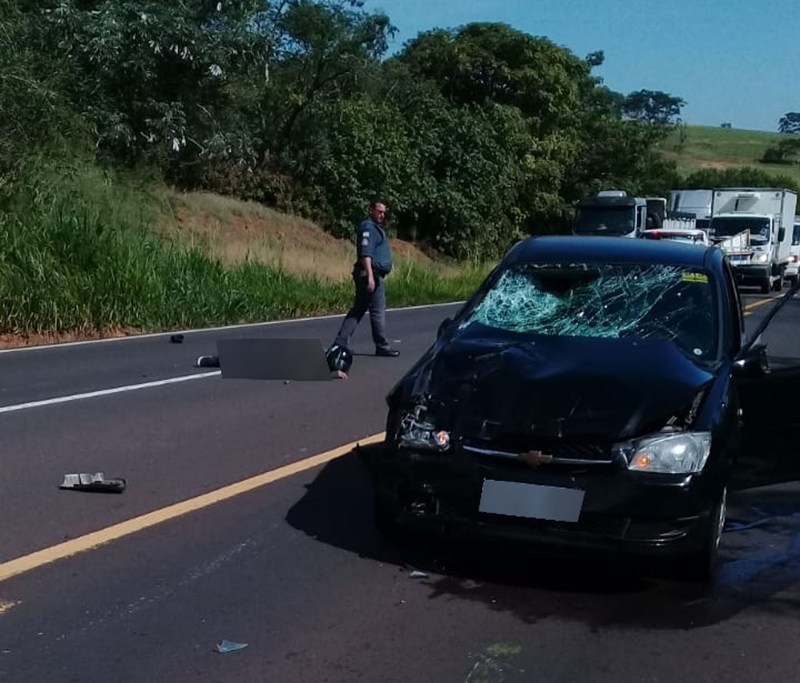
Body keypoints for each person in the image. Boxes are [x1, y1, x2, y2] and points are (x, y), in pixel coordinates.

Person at [330, 201, 400, 357]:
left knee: (358, 310)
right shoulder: (368, 228)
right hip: (371, 274)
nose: (382, 215)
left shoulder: (374, 228)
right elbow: (365, 254)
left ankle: (340, 343)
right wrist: (370, 276)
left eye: (384, 212)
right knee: (378, 311)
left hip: (371, 273)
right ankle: (382, 345)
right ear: (371, 211)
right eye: (379, 211)